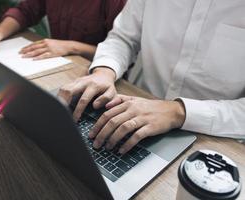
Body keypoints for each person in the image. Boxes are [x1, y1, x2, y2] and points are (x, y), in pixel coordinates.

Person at [58, 0, 245, 155]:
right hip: (130, 108)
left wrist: (177, 111)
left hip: (210, 139)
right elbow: (123, 38)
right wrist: (104, 71)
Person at [0, 0, 126, 60]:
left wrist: (71, 47)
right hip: (55, 65)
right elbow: (26, 12)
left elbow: (120, 52)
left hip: (98, 74)